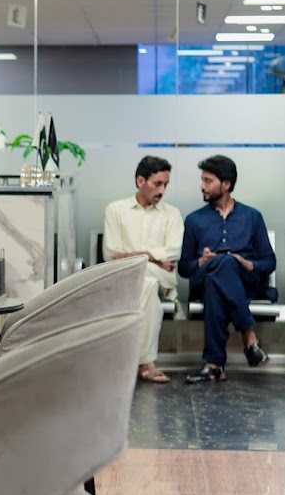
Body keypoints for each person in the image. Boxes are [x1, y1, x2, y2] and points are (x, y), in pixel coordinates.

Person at [178, 155, 276, 383]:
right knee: (221, 268)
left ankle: (215, 365)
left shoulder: (252, 217)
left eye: (208, 180)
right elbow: (183, 268)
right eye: (202, 180)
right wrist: (201, 262)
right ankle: (249, 336)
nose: (202, 186)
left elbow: (269, 262)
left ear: (226, 184)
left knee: (224, 270)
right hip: (205, 281)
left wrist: (249, 264)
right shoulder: (194, 220)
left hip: (244, 284)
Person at [103, 156, 184, 383]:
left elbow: (174, 252)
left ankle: (125, 361)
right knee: (148, 283)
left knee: (147, 276)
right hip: (127, 277)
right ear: (140, 181)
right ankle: (146, 363)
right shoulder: (115, 210)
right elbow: (111, 254)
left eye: (165, 184)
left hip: (162, 279)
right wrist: (154, 258)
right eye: (157, 184)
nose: (162, 190)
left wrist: (137, 256)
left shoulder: (172, 214)